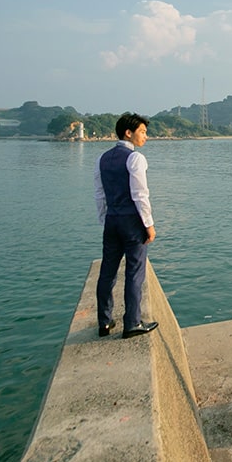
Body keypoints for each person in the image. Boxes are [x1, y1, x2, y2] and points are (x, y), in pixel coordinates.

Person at [94, 112, 159, 339]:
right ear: (128, 133)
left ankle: (104, 321)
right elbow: (140, 194)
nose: (146, 136)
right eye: (142, 132)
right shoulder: (135, 158)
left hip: (112, 220)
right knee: (134, 271)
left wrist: (105, 219)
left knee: (107, 271)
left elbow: (100, 195)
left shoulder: (102, 159)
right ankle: (132, 323)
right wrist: (148, 225)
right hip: (132, 221)